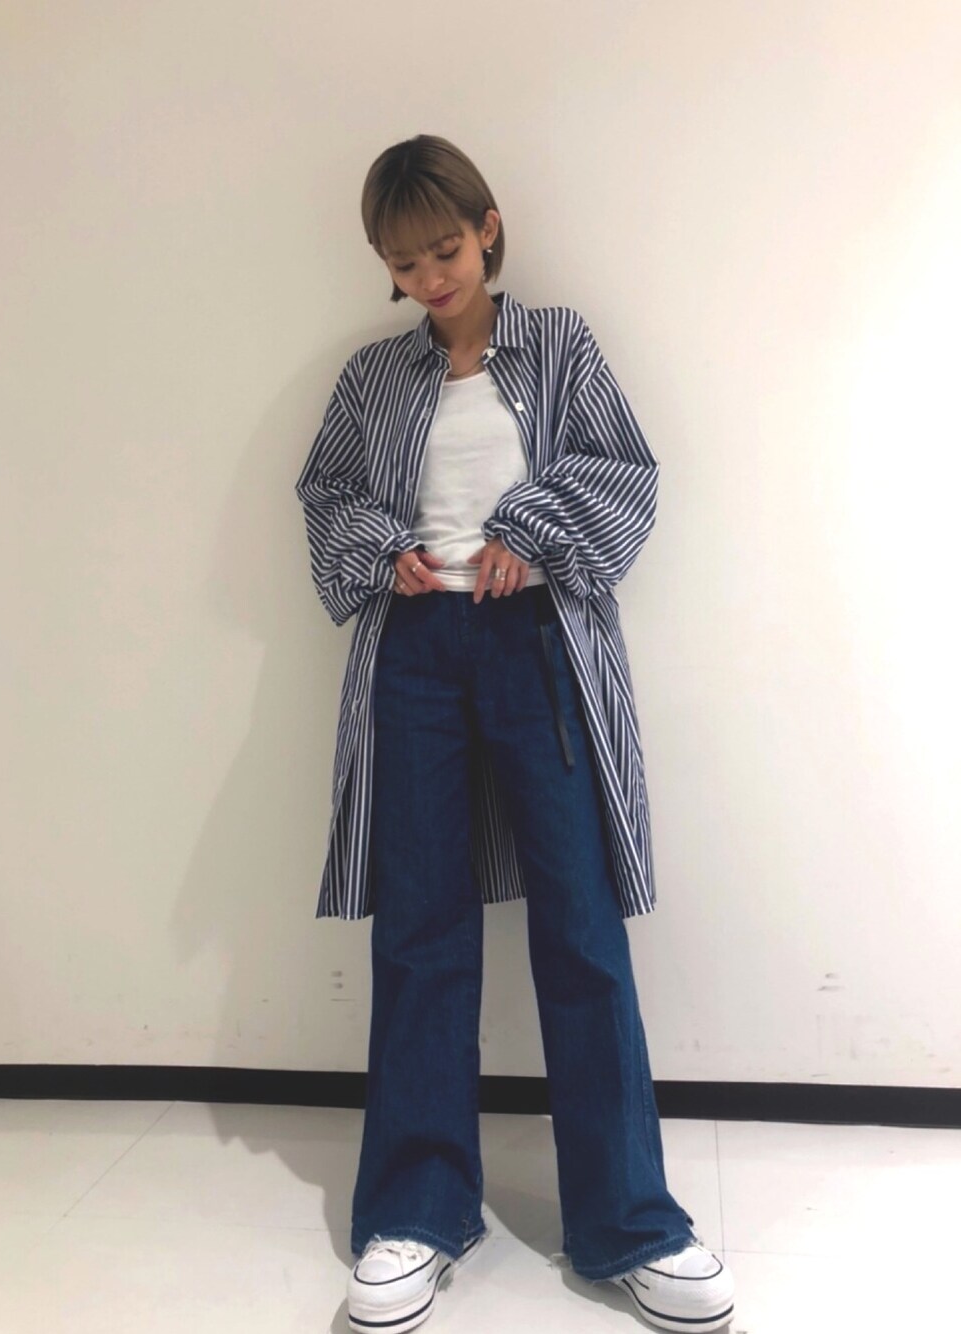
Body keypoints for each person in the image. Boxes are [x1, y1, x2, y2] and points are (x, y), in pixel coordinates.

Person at [295, 134, 735, 1334]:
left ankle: (631, 1221)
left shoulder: (560, 346)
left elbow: (623, 465)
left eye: (443, 248)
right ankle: (415, 1209)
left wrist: (528, 527)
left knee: (580, 922)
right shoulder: (374, 379)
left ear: (487, 228)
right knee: (420, 925)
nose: (428, 276)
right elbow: (327, 491)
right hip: (414, 653)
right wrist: (378, 545)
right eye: (403, 261)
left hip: (539, 645)